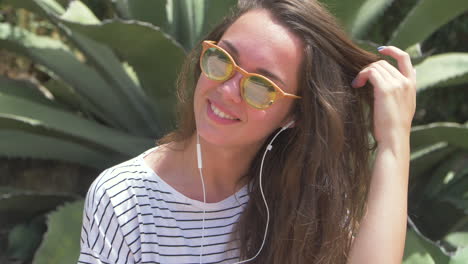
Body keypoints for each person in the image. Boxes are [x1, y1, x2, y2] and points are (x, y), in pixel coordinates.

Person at [78, 0, 416, 263]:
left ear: (293, 116)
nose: (226, 91)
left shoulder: (305, 194)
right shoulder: (124, 199)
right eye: (222, 59)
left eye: (260, 86)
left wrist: (394, 142)